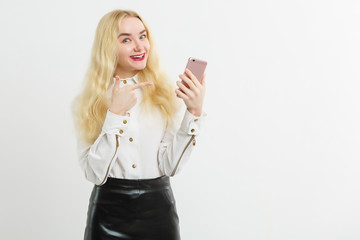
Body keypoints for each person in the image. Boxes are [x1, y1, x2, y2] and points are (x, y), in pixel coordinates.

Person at [72, 9, 206, 240]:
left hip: (159, 213)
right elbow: (95, 174)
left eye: (143, 36)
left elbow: (170, 167)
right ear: (108, 47)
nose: (139, 46)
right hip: (107, 214)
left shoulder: (162, 95)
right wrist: (115, 113)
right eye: (126, 39)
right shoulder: (89, 102)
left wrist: (193, 112)